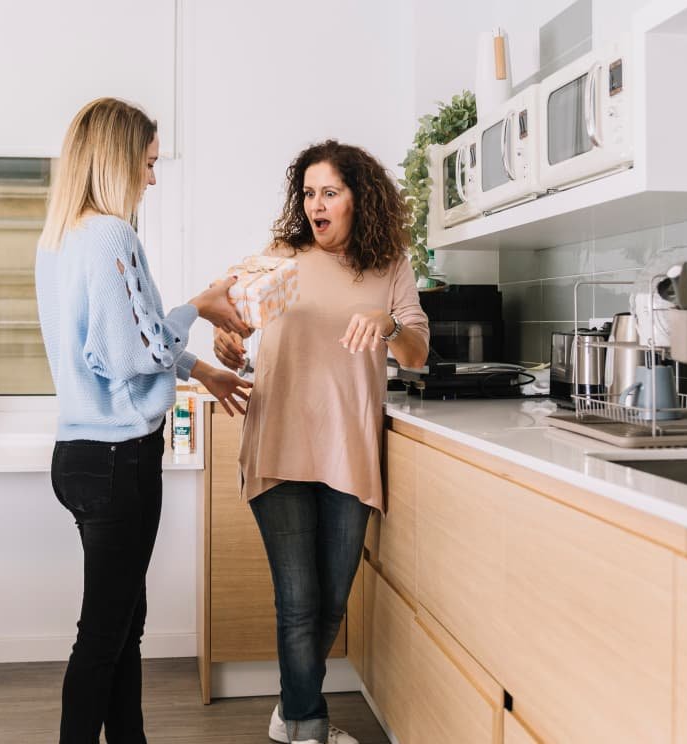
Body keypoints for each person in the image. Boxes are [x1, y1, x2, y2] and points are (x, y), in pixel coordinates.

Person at [35, 97, 251, 744]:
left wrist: (200, 369)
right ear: (118, 159)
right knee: (106, 632)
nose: (153, 179)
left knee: (123, 621)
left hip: (77, 456)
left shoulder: (60, 240)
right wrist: (201, 306)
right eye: (149, 163)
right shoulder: (111, 235)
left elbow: (113, 341)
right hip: (119, 462)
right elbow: (134, 352)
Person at [213, 140, 429, 744]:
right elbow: (236, 323)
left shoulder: (389, 265)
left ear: (360, 197)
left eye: (329, 191)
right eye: (308, 193)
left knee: (331, 601)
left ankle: (291, 712)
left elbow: (417, 351)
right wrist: (227, 343)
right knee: (299, 601)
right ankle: (309, 729)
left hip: (347, 450)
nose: (316, 204)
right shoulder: (283, 259)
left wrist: (388, 325)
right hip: (279, 442)